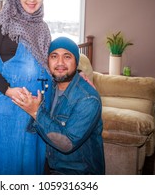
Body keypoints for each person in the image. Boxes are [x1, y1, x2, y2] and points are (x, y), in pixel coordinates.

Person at [0, 0, 53, 175]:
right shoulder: (2, 24)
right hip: (9, 108)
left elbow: (47, 63)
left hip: (36, 110)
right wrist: (9, 90)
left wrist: (77, 74)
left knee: (31, 164)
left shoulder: (43, 28)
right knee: (6, 165)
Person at [12, 37, 105, 175]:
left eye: (67, 57)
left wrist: (36, 112)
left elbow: (67, 144)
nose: (60, 63)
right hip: (48, 166)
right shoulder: (50, 88)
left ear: (76, 62)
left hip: (78, 172)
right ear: (47, 61)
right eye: (54, 56)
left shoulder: (88, 99)